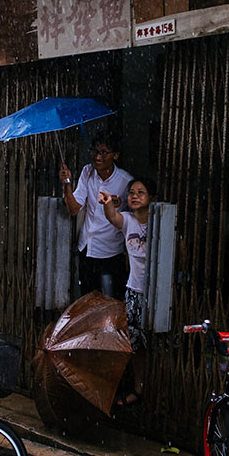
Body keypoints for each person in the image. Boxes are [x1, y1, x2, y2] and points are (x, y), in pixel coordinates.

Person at [99, 177, 153, 406]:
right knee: (135, 344)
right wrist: (107, 202)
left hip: (155, 295)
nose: (135, 196)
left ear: (152, 197)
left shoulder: (159, 221)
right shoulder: (129, 221)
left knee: (155, 343)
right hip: (134, 291)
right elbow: (112, 216)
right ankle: (138, 389)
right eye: (132, 192)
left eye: (141, 192)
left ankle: (157, 392)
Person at [59, 136, 133, 299]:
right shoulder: (87, 172)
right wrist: (67, 184)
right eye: (95, 151)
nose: (98, 157)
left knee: (111, 303)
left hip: (111, 252)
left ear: (116, 155)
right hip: (87, 248)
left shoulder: (126, 182)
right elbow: (73, 209)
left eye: (104, 153)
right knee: (87, 302)